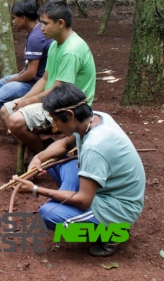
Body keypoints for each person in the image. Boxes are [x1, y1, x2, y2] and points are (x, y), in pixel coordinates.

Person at [12, 84, 145, 257]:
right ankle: (69, 202)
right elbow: (65, 144)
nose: (54, 126)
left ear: (70, 114)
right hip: (107, 191)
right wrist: (38, 158)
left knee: (48, 215)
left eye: (56, 119)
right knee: (56, 162)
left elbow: (84, 201)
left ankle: (113, 234)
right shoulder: (95, 118)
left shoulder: (95, 146)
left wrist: (36, 189)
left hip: (119, 208)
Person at [0, 0, 96, 158]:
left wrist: (28, 102)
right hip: (53, 98)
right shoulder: (55, 44)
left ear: (60, 23)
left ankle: (48, 154)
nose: (41, 28)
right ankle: (42, 147)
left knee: (16, 120)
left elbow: (59, 91)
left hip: (68, 106)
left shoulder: (70, 51)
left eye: (45, 23)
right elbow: (44, 79)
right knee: (6, 110)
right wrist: (24, 99)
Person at [0, 0, 53, 116]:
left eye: (14, 18)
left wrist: (12, 80)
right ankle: (12, 115)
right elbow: (30, 67)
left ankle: (15, 121)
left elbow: (31, 74)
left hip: (36, 81)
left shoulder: (35, 38)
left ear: (24, 18)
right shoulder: (36, 31)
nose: (13, 21)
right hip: (35, 76)